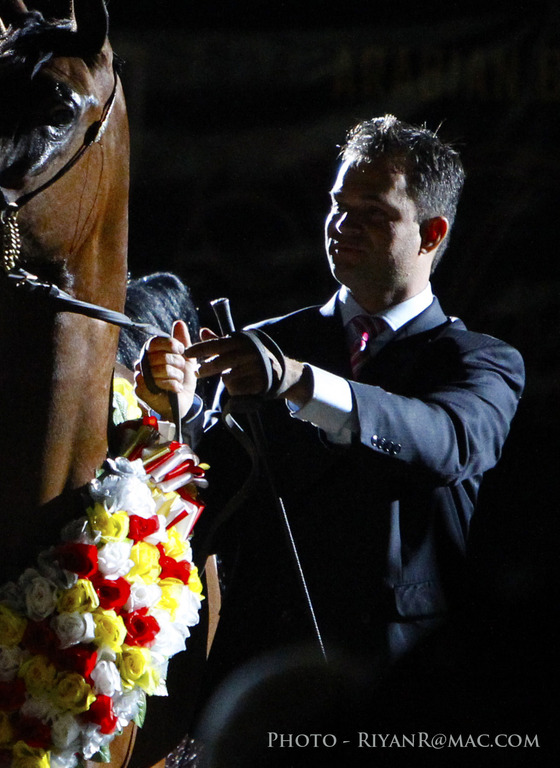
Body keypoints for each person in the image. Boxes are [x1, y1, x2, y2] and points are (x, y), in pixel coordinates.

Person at [135, 116, 525, 687]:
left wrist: (303, 382)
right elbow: (210, 497)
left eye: (373, 213)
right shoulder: (270, 343)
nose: (344, 225)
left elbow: (445, 442)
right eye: (339, 204)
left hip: (397, 679)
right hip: (256, 671)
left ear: (432, 234)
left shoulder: (480, 362)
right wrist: (185, 413)